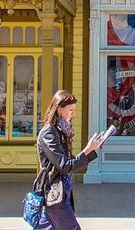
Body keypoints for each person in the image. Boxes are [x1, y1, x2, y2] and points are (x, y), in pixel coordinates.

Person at [33, 90, 104, 230]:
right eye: (70, 109)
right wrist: (88, 149)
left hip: (62, 192)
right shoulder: (49, 133)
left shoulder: (61, 131)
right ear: (59, 110)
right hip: (55, 194)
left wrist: (92, 150)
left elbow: (71, 163)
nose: (73, 113)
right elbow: (65, 166)